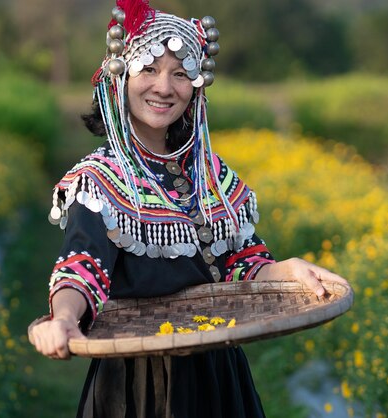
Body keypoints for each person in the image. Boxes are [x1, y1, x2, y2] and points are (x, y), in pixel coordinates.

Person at [30, 1, 349, 416]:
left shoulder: (209, 174)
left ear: (196, 86)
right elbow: (82, 264)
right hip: (139, 383)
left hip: (219, 370)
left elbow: (240, 263)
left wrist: (289, 270)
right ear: (120, 77)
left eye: (180, 73)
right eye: (149, 69)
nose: (164, 87)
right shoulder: (100, 180)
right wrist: (65, 318)